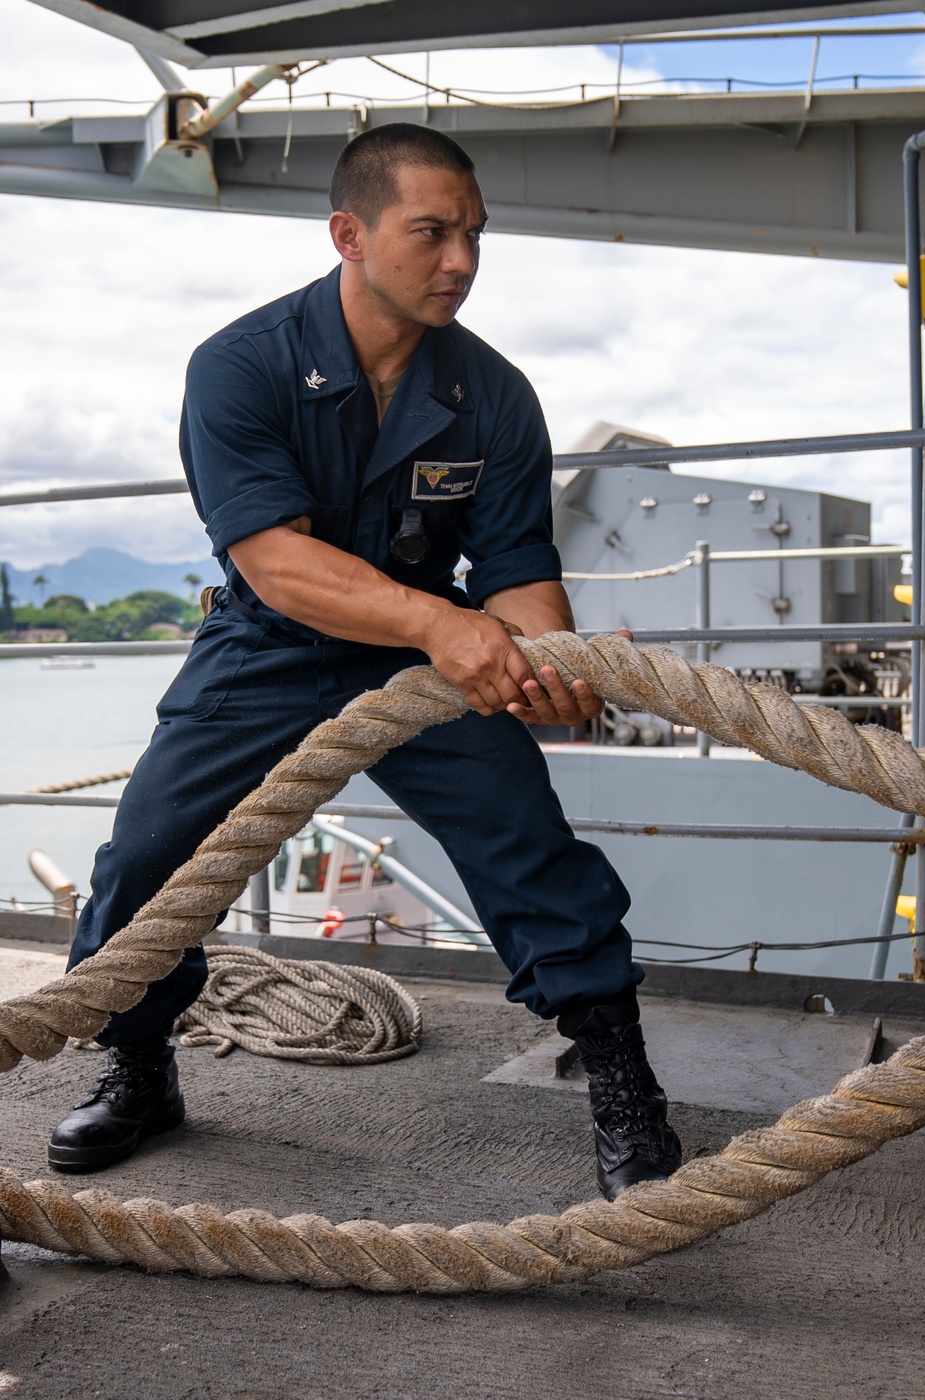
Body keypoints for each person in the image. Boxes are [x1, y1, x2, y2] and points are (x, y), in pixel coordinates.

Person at [48, 124, 682, 1202]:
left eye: (474, 234)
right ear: (349, 234)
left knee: (528, 843)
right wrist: (444, 626)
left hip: (423, 659)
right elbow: (276, 562)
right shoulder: (241, 364)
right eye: (431, 233)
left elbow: (518, 568)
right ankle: (141, 1068)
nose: (461, 261)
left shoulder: (493, 393)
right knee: (147, 858)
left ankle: (624, 1084)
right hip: (270, 644)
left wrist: (548, 663)